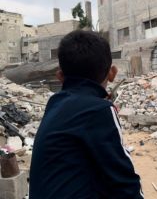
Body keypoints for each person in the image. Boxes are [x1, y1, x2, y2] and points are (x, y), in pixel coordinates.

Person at [29, 30, 144, 199]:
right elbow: (125, 182)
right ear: (112, 73)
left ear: (60, 76)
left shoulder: (54, 103)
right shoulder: (99, 110)